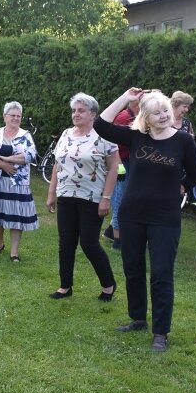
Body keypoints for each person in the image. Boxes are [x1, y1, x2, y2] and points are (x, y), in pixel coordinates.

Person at [96, 88, 196, 352]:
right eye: (157, 112)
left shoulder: (182, 141)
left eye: (166, 109)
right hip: (132, 214)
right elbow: (100, 124)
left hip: (165, 217)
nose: (164, 115)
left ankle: (161, 332)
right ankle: (138, 318)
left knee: (161, 273)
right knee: (133, 268)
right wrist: (124, 97)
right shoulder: (136, 137)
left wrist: (181, 187)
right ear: (146, 116)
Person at [46, 93, 118, 301]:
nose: (76, 114)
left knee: (89, 243)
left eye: (81, 110)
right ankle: (65, 287)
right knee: (66, 243)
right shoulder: (66, 134)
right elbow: (58, 165)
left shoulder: (104, 136)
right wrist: (52, 193)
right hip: (66, 196)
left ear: (93, 114)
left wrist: (106, 198)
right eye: (74, 110)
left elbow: (114, 168)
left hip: (92, 198)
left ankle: (108, 285)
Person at [0, 101, 39, 261]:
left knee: (15, 216)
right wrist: (3, 165)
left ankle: (14, 252)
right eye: (12, 115)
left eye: (18, 116)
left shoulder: (25, 135)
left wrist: (8, 158)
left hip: (18, 182)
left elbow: (30, 155)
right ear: (5, 116)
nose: (15, 118)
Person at [103, 99, 139, 250]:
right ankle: (118, 240)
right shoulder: (124, 118)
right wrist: (119, 167)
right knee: (120, 199)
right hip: (122, 163)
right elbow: (113, 144)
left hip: (131, 162)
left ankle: (111, 231)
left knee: (126, 198)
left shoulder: (137, 117)